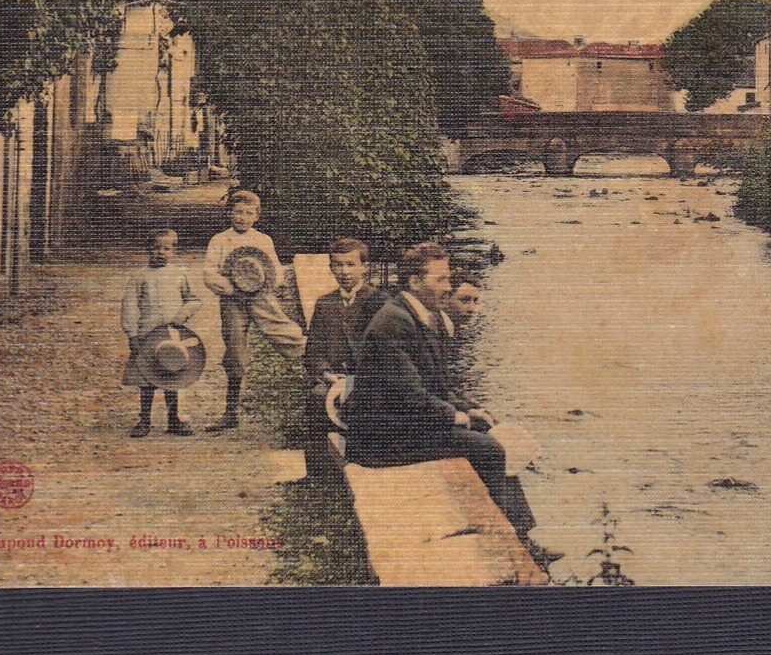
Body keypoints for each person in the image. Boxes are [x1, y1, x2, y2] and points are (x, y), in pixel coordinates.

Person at [347, 243, 535, 539]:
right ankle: (509, 538)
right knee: (487, 448)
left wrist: (468, 409)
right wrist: (457, 417)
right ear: (414, 282)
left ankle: (521, 532)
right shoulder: (393, 323)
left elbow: (436, 384)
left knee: (490, 433)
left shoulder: (420, 315)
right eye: (441, 280)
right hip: (381, 437)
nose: (448, 288)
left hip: (403, 424)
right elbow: (411, 396)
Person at [202, 189, 305, 432]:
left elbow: (276, 269)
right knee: (235, 350)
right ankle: (231, 411)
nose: (242, 218)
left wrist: (271, 284)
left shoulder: (263, 240)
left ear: (257, 216)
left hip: (260, 297)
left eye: (249, 213)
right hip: (232, 301)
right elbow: (209, 273)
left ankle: (319, 369)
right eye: (238, 212)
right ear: (230, 213)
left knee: (285, 332)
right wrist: (231, 288)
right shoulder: (219, 240)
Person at [302, 238, 391, 462]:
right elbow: (313, 350)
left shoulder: (380, 302)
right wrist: (326, 373)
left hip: (368, 378)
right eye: (338, 265)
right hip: (332, 378)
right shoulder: (325, 303)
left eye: (350, 265)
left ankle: (364, 462)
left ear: (365, 267)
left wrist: (359, 378)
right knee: (317, 396)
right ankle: (318, 469)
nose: (344, 271)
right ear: (331, 268)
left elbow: (389, 353)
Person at [120, 228, 202, 437]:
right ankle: (144, 420)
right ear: (148, 249)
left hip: (172, 334)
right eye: (156, 248)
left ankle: (173, 419)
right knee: (146, 378)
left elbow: (194, 299)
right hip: (148, 334)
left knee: (172, 375)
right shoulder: (140, 276)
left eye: (166, 248)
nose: (161, 252)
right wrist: (132, 334)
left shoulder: (180, 273)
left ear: (174, 251)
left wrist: (181, 317)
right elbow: (129, 305)